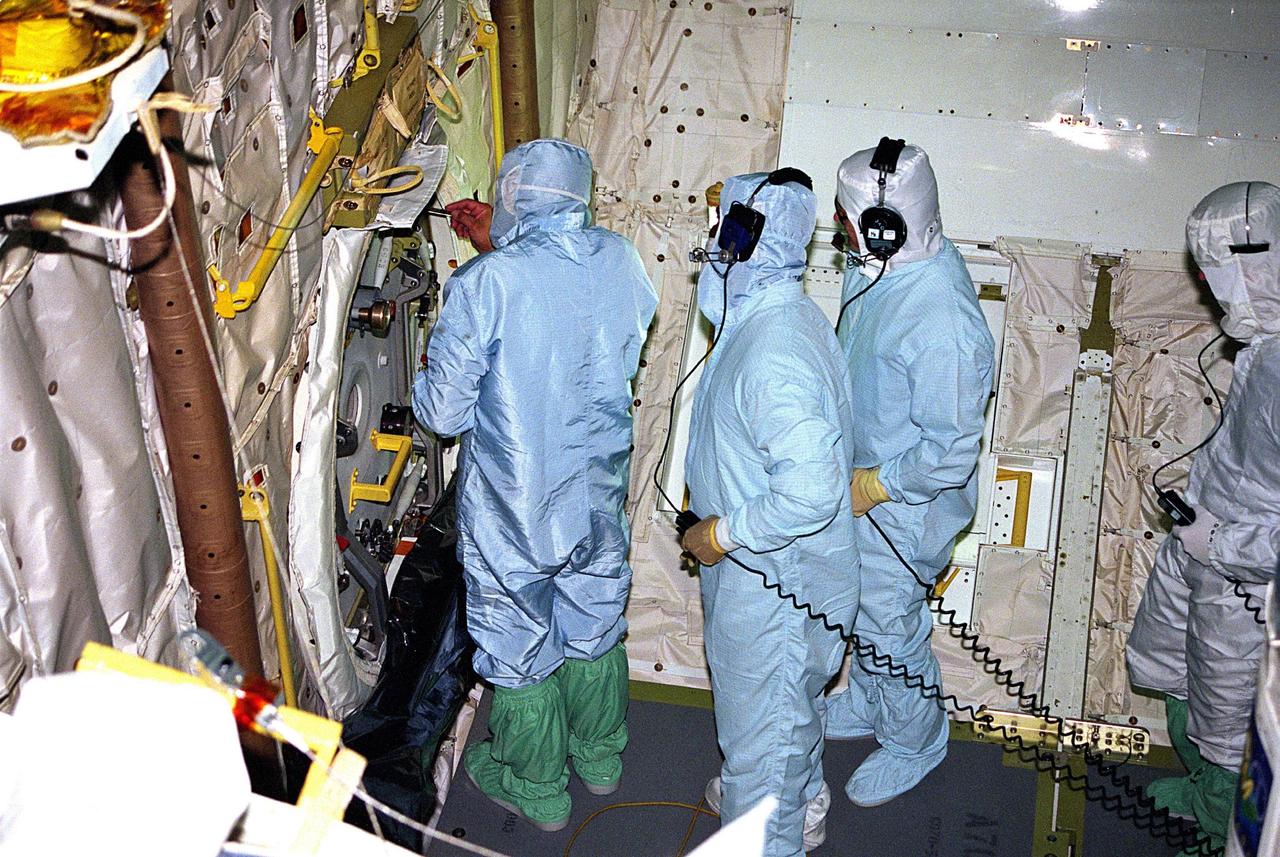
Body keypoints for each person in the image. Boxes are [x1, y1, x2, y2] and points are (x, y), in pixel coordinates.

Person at [413, 139, 658, 831]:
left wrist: (429, 362)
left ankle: (537, 784)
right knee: (593, 621)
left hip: (514, 511)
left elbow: (441, 412)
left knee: (518, 649)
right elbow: (595, 336)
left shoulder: (482, 286)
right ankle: (601, 756)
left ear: (513, 192)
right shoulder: (621, 260)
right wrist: (511, 243)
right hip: (596, 498)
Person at [680, 170, 859, 856]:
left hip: (775, 591)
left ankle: (771, 823)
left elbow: (811, 490)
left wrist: (720, 533)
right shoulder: (778, 312)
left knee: (763, 749)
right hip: (777, 576)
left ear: (745, 239)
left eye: (722, 225)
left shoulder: (775, 349)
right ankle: (800, 792)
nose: (712, 239)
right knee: (785, 716)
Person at [824, 143, 994, 807]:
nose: (838, 228)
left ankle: (916, 736)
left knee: (890, 622)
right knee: (865, 611)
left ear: (884, 224)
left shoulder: (944, 323)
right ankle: (869, 701)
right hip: (869, 477)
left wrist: (875, 484)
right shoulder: (880, 269)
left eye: (847, 217)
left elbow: (950, 451)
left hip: (904, 505)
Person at [1127, 181, 1280, 853]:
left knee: (1227, 709)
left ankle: (1225, 828)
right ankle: (1198, 785)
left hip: (1243, 576)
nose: (1214, 287)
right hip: (1202, 544)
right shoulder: (1260, 348)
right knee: (1168, 659)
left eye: (1223, 268)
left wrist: (1219, 540)